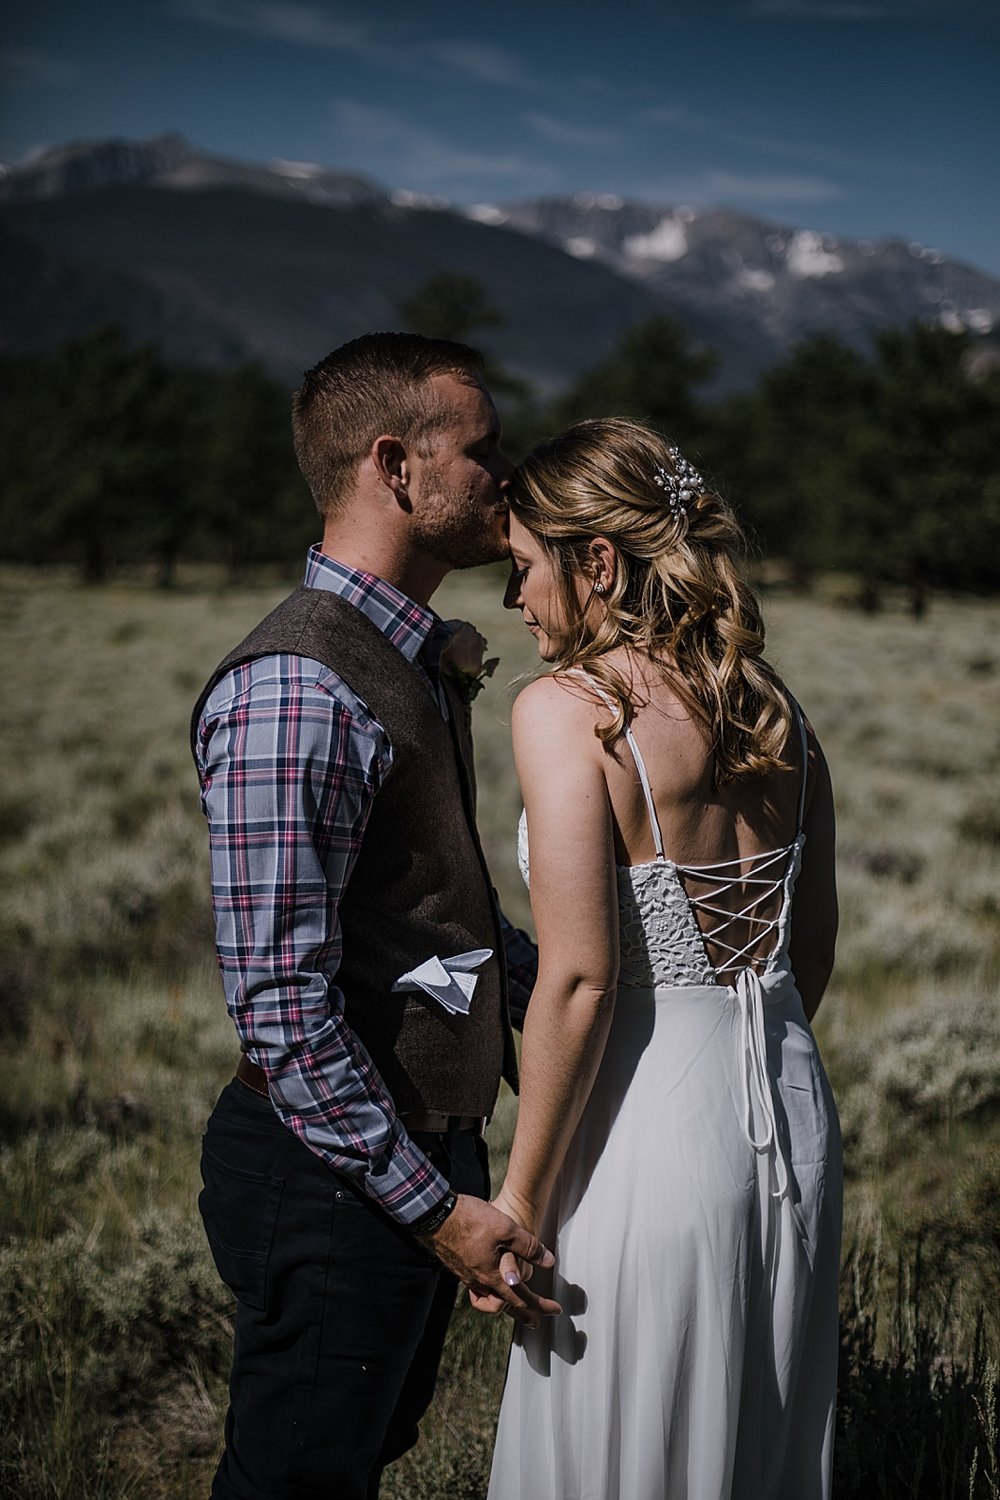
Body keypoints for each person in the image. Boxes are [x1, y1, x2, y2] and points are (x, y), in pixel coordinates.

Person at [191, 332, 560, 1500]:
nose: (506, 474)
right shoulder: (300, 684)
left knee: (351, 1458)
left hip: (400, 1151)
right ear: (396, 466)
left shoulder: (395, 656)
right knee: (295, 1478)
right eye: (483, 450)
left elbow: (426, 915)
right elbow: (282, 1010)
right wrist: (429, 1208)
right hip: (332, 1169)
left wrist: (592, 995)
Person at [484, 417, 843, 1499]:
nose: (511, 602)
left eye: (520, 568)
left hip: (643, 1130)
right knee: (756, 1436)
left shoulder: (566, 712)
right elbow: (808, 952)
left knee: (621, 1444)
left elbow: (583, 979)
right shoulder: (776, 709)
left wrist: (519, 1206)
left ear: (597, 561)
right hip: (790, 1122)